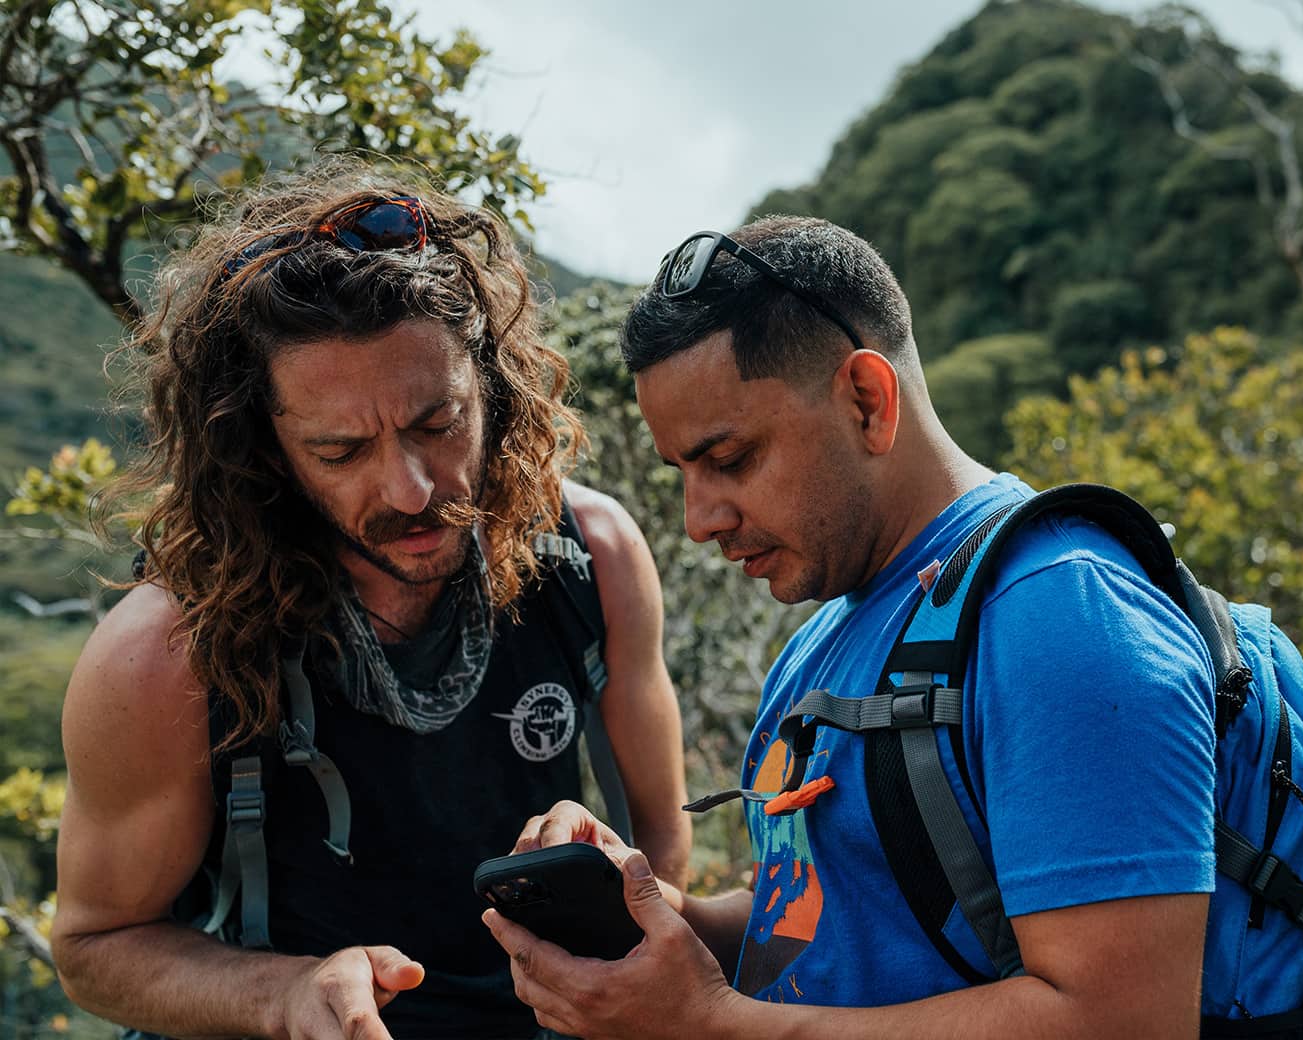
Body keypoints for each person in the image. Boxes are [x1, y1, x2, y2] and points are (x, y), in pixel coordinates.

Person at [483, 217, 1218, 1037]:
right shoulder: (818, 644)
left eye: (729, 460)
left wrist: (707, 1026)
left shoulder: (1060, 618)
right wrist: (650, 909)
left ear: (867, 401)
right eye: (681, 471)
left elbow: (1122, 1020)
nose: (698, 520)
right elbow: (816, 925)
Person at [51, 163, 691, 1040]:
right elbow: (94, 944)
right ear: (265, 450)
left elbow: (661, 843)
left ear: (495, 394)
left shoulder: (592, 560)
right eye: (342, 450)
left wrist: (610, 874)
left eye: (439, 423)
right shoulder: (169, 651)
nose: (413, 488)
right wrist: (285, 995)